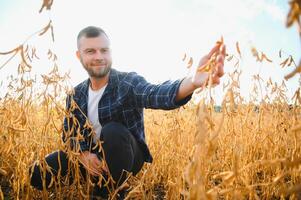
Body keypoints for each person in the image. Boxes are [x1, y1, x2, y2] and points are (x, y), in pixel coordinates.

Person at [29, 26, 226, 199]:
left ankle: (111, 190)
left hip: (128, 155)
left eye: (104, 50)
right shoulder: (76, 94)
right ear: (79, 56)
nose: (98, 56)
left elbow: (156, 93)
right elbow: (69, 132)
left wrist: (192, 82)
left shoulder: (127, 82)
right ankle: (94, 178)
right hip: (90, 159)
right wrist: (84, 154)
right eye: (90, 51)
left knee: (113, 131)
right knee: (37, 173)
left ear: (111, 52)